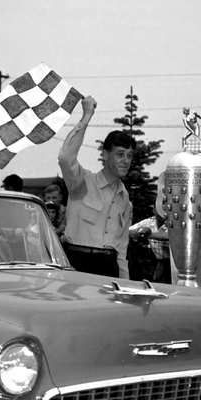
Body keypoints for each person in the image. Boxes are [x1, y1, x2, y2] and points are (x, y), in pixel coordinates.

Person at [57, 96, 133, 278]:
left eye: (130, 156)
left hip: (109, 268)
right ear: (105, 155)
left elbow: (121, 248)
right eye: (120, 154)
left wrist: (125, 283)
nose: (126, 161)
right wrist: (86, 116)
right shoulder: (83, 182)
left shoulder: (125, 199)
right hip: (77, 264)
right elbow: (65, 158)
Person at [129, 211, 176, 284]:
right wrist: (140, 231)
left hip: (174, 262)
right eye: (158, 208)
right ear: (154, 209)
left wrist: (147, 235)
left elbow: (169, 235)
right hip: (159, 261)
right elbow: (130, 230)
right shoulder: (149, 222)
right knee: (157, 280)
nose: (160, 212)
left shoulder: (174, 221)